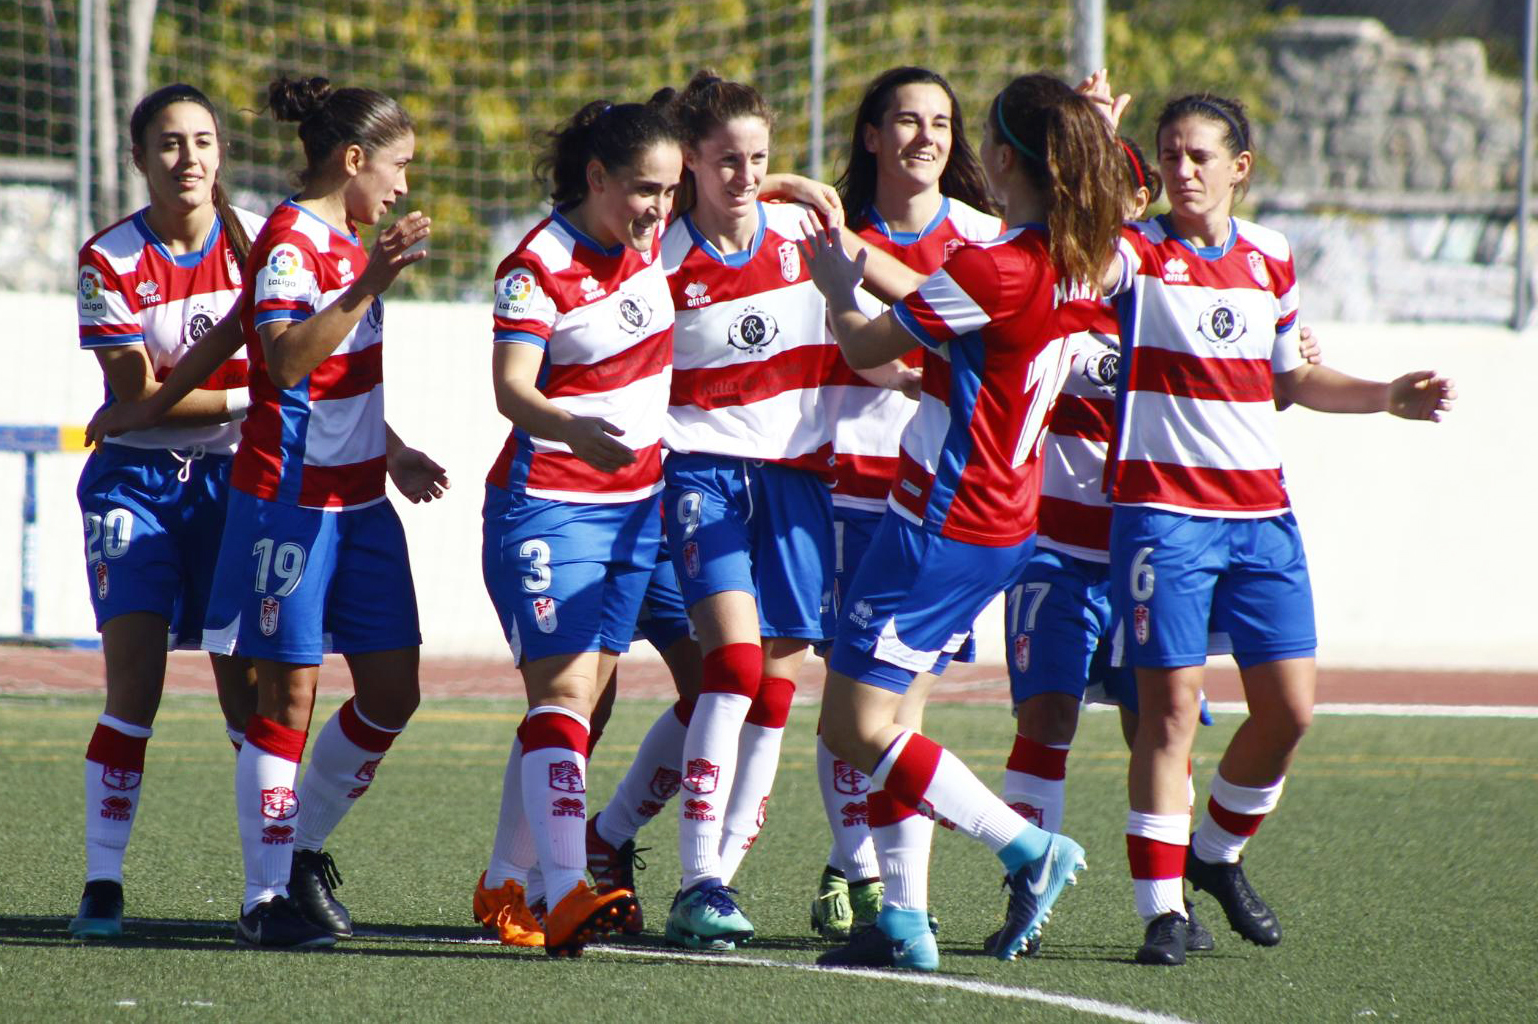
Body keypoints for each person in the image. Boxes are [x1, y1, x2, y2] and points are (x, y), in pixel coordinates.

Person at [1102, 91, 1456, 965]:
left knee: (1291, 712)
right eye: (1168, 156)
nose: (1181, 171)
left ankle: (1215, 859)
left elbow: (1291, 379)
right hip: (1163, 519)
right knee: (1169, 712)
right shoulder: (1136, 253)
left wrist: (1384, 398)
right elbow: (1070, 236)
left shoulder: (1270, 256)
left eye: (1199, 157)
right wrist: (1094, 138)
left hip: (1261, 520)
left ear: (1240, 168)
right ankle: (1162, 913)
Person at [799, 72, 1128, 972]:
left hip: (940, 522)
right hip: (996, 522)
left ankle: (1028, 848)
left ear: (1000, 157)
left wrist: (837, 283)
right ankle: (905, 922)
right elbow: (956, 304)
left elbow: (867, 347)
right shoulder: (1079, 257)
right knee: (894, 719)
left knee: (853, 728)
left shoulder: (996, 266)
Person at [200, 75, 447, 949]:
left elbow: (344, 386)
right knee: (288, 695)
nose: (404, 186)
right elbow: (286, 363)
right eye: (398, 166)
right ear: (353, 160)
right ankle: (263, 899)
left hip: (363, 498)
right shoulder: (292, 241)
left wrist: (395, 446)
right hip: (290, 503)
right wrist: (368, 281)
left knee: (393, 690)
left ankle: (298, 846)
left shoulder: (348, 240)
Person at [472, 96, 681, 956]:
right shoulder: (536, 265)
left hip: (636, 513)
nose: (660, 209)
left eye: (671, 191)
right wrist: (572, 428)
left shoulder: (647, 240)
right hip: (549, 506)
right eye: (643, 190)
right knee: (561, 697)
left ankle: (502, 882)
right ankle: (566, 893)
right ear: (595, 178)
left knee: (587, 708)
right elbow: (512, 389)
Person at [809, 65, 1004, 943]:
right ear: (873, 137)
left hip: (936, 504)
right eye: (907, 121)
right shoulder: (835, 237)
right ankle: (862, 871)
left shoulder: (984, 240)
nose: (927, 136)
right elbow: (837, 356)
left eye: (942, 123)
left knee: (899, 709)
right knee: (847, 703)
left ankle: (897, 898)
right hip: (847, 485)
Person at [67, 83, 262, 940]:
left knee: (247, 697)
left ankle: (270, 883)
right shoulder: (107, 260)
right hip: (134, 487)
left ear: (221, 154)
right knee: (134, 686)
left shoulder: (260, 244)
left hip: (236, 488)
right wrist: (259, 390)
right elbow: (140, 403)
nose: (190, 159)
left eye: (204, 141)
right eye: (171, 144)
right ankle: (102, 884)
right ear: (140, 158)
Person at [653, 70, 838, 951]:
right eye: (727, 160)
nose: (744, 176)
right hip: (702, 477)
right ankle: (697, 879)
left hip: (799, 480)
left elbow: (873, 305)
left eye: (759, 159)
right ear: (690, 161)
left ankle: (714, 873)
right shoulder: (662, 257)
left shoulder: (805, 232)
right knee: (731, 665)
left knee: (777, 683)